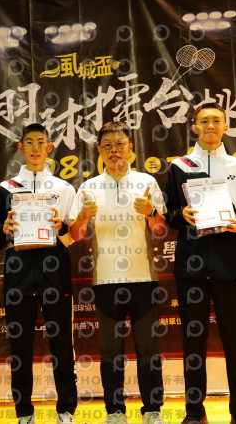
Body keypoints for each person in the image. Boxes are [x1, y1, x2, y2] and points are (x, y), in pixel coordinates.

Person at [69, 121, 167, 424]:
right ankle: (115, 412)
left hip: (143, 278)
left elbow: (160, 230)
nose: (114, 151)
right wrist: (82, 218)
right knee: (110, 351)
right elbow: (74, 235)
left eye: (120, 144)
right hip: (105, 280)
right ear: (100, 151)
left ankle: (152, 410)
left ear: (131, 148)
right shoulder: (88, 187)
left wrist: (151, 212)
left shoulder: (146, 182)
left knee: (148, 348)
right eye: (108, 146)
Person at [164, 104, 236, 424]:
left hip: (228, 263)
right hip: (190, 266)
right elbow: (170, 214)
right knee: (193, 342)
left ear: (226, 126)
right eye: (204, 121)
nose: (211, 125)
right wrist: (182, 215)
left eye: (217, 120)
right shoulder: (179, 166)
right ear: (194, 127)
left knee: (235, 341)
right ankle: (194, 413)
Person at [0, 123, 78, 424]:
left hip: (56, 276)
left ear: (49, 147)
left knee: (62, 345)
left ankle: (66, 409)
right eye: (30, 142)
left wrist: (61, 227)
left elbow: (73, 236)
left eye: (41, 142)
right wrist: (5, 230)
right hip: (18, 277)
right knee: (20, 347)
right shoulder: (6, 189)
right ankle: (24, 412)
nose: (36, 148)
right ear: (21, 148)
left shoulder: (64, 189)